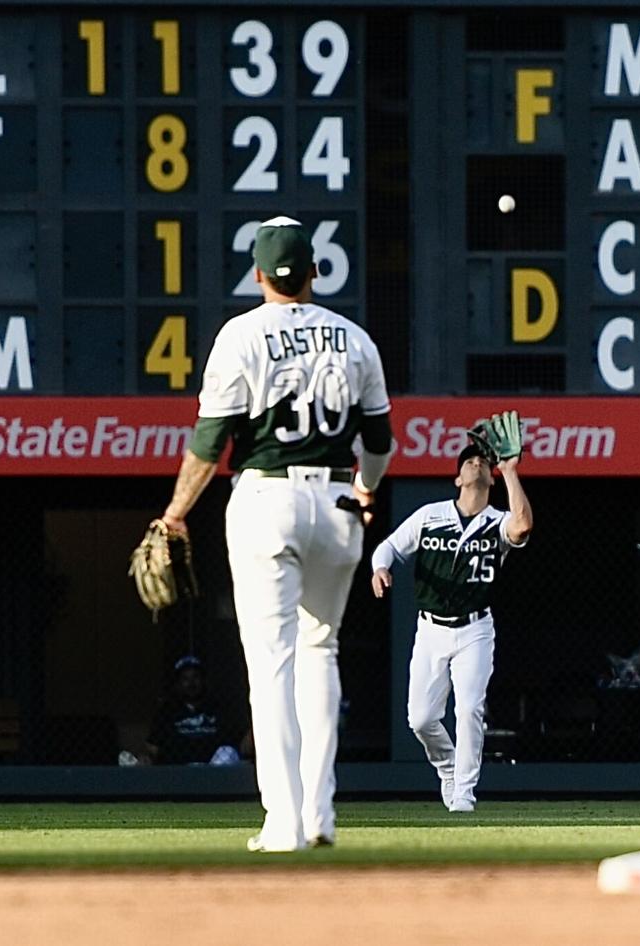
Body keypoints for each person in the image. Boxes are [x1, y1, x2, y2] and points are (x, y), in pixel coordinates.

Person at [158, 216, 393, 852]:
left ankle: (283, 822)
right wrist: (367, 488)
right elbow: (379, 440)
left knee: (272, 665)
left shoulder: (241, 335)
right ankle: (321, 816)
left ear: (259, 275)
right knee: (322, 652)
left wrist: (177, 511)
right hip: (339, 498)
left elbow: (210, 443)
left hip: (267, 496)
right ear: (316, 272)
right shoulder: (355, 339)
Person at [370, 439, 532, 812]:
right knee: (420, 718)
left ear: (490, 480)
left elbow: (523, 526)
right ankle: (447, 766)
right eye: (468, 461)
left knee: (469, 708)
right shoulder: (431, 515)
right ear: (457, 478)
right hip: (431, 629)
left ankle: (464, 793)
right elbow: (388, 547)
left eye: (482, 463)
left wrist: (509, 470)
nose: (476, 464)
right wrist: (380, 568)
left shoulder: (497, 521)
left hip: (475, 628)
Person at [144, 656, 250, 765]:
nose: (191, 683)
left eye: (196, 677)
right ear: (178, 683)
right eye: (185, 679)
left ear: (203, 680)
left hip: (213, 768)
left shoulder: (219, 708)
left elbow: (241, 741)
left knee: (227, 751)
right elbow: (152, 747)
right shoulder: (167, 712)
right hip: (179, 769)